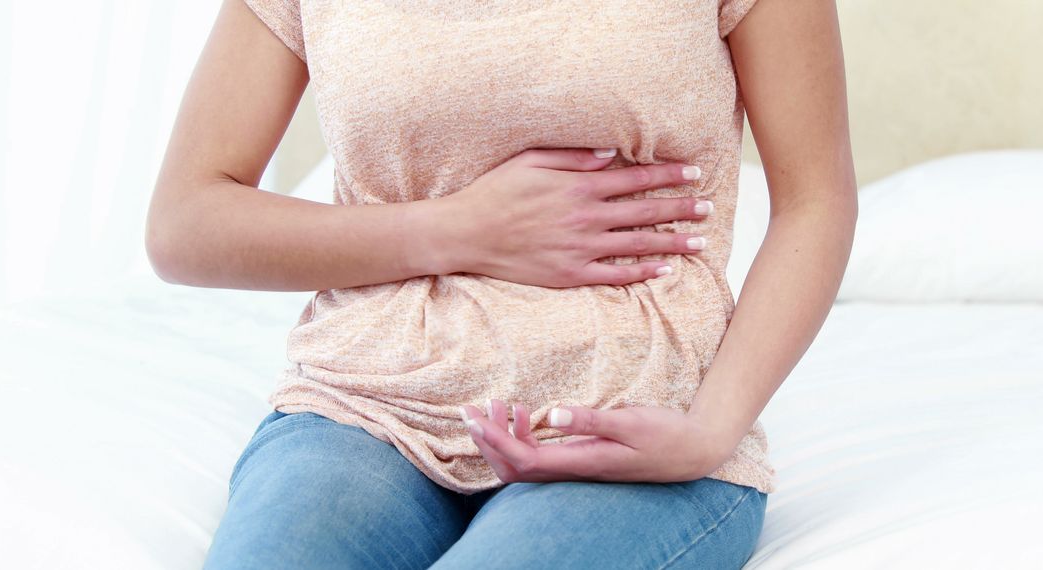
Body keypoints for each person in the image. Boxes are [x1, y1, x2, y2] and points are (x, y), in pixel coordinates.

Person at [145, 0, 857, 567]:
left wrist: (709, 432)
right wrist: (460, 228)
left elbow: (814, 202)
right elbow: (186, 221)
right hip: (366, 408)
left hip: (628, 415)